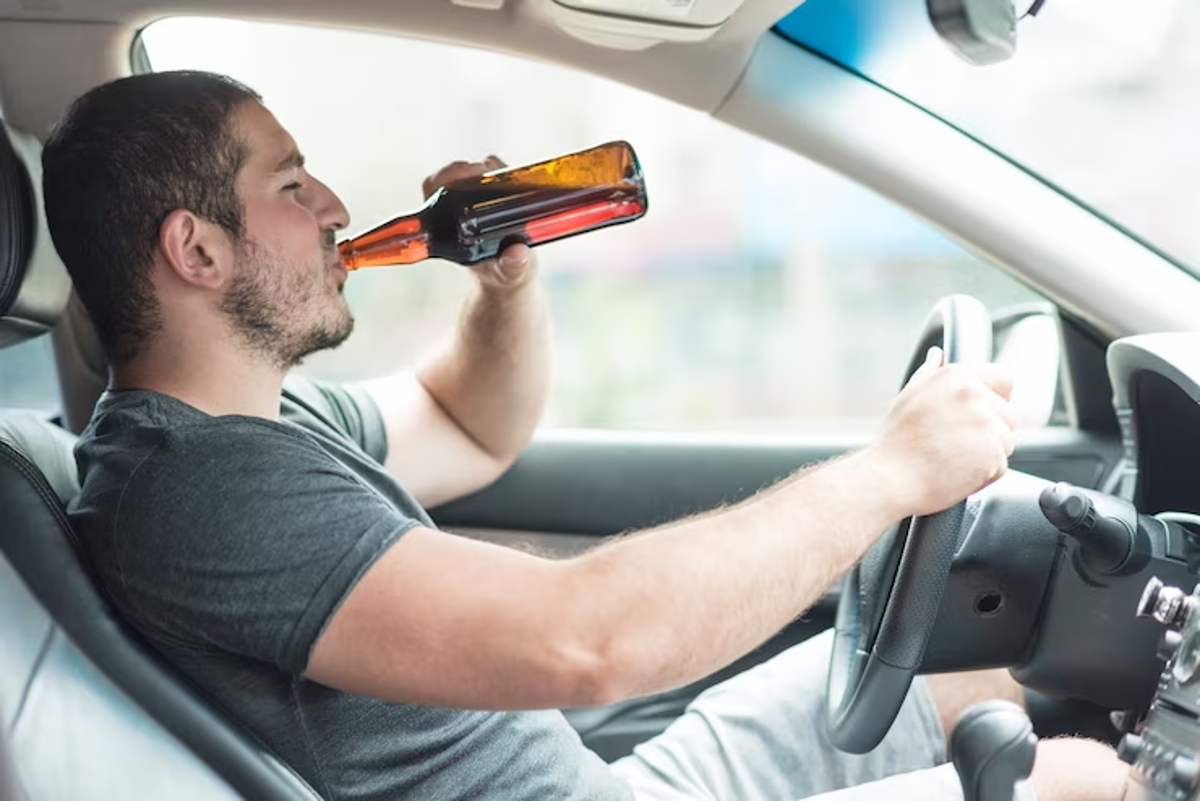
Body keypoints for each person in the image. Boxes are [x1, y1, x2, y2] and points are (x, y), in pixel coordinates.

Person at [42, 70, 1126, 801]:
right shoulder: (201, 490)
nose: (332, 206)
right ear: (196, 250)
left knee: (984, 675)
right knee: (1087, 785)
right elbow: (587, 642)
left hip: (607, 786)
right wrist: (892, 472)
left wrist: (504, 282)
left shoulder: (262, 422)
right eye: (288, 185)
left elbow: (471, 424)